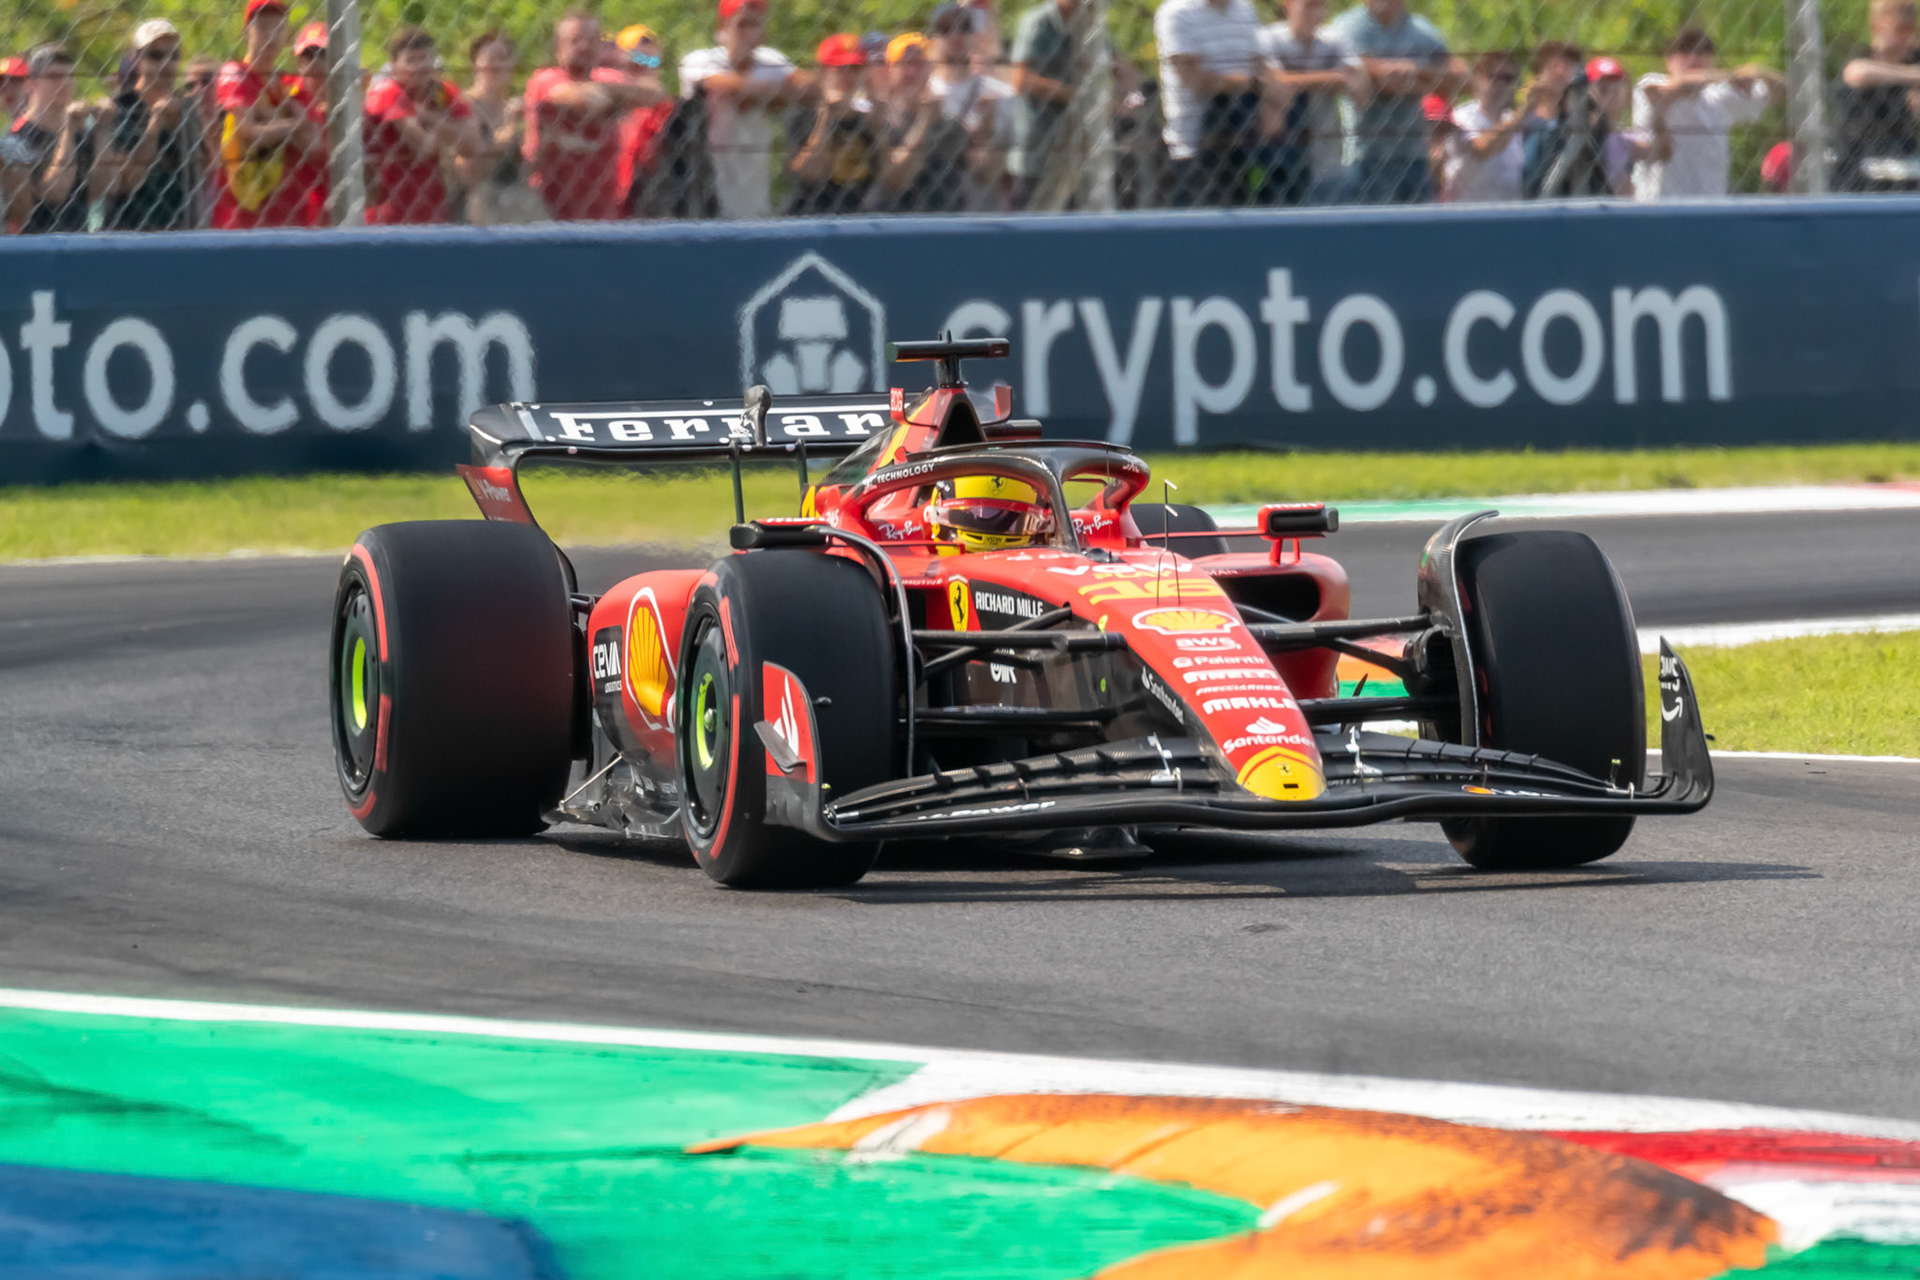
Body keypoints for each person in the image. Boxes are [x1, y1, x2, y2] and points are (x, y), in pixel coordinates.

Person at [524, 10, 665, 221]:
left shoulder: (609, 74)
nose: (584, 46)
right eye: (575, 40)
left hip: (606, 205)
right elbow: (584, 100)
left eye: (591, 41)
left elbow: (656, 91)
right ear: (559, 47)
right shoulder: (546, 79)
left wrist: (610, 87)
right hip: (553, 206)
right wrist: (619, 96)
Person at [679, 0, 813, 219]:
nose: (748, 32)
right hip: (706, 177)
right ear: (723, 28)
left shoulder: (771, 60)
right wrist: (774, 96)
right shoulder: (700, 59)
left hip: (753, 182)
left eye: (755, 25)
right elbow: (720, 86)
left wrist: (751, 94)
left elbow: (810, 89)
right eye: (741, 24)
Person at [1153, 0, 1291, 206]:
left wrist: (1274, 97)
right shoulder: (1177, 12)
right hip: (1197, 147)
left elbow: (1261, 65)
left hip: (1246, 144)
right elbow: (1192, 78)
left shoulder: (1245, 10)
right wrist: (1253, 84)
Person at [1324, 0, 1460, 202]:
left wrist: (1415, 70)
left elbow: (1459, 74)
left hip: (1414, 154)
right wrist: (1389, 75)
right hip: (1364, 154)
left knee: (1417, 227)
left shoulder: (1421, 29)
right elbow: (1347, 70)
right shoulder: (1346, 27)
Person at [1633, 27, 1783, 200]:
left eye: (1704, 50)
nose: (1694, 57)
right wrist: (1731, 75)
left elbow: (1783, 93)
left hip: (1710, 205)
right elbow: (1679, 86)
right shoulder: (1652, 83)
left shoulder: (1719, 97)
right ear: (1668, 60)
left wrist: (1758, 71)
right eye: (1685, 49)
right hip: (1660, 206)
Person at [212, 0, 322, 229]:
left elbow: (312, 144)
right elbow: (249, 132)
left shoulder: (291, 84)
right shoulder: (236, 73)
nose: (271, 35)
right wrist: (294, 124)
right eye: (262, 27)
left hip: (293, 214)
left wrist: (272, 121)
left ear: (287, 35)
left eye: (279, 28)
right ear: (246, 31)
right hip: (242, 217)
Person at [95, 19, 208, 231]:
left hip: (178, 230)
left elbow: (204, 170)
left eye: (173, 56)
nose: (166, 64)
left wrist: (182, 127)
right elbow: (125, 183)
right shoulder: (119, 109)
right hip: (127, 233)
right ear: (136, 58)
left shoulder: (185, 107)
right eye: (156, 55)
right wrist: (155, 126)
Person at [362, 27, 479, 223]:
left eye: (425, 58)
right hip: (387, 213)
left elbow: (471, 144)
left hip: (431, 208)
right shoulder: (385, 91)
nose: (419, 67)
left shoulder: (442, 92)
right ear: (394, 65)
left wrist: (428, 117)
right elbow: (425, 146)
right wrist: (446, 130)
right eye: (411, 60)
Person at [1258, 0, 1363, 202]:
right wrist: (1334, 78)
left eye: (1321, 5)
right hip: (1282, 160)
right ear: (1288, 4)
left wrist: (1298, 80)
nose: (1316, 12)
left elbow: (1359, 86)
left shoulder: (1333, 39)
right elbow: (1277, 83)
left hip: (1328, 163)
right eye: (1309, 5)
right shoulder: (1268, 38)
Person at [927, 1, 1014, 210]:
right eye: (945, 29)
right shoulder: (925, 95)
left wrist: (986, 127)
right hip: (935, 211)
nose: (955, 35)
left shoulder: (999, 93)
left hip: (987, 214)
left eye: (964, 27)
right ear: (932, 40)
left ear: (976, 36)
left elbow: (994, 173)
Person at [873, 32, 971, 211]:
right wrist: (924, 121)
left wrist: (986, 124)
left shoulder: (948, 123)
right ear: (889, 69)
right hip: (895, 218)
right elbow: (896, 180)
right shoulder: (880, 120)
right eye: (904, 64)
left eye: (919, 64)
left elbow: (983, 174)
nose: (912, 72)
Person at [2, 45, 95, 234]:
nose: (65, 83)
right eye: (54, 77)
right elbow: (53, 195)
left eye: (70, 76)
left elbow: (100, 190)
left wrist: (102, 130)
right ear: (31, 84)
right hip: (38, 244)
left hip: (81, 241)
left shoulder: (83, 130)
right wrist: (67, 131)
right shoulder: (18, 137)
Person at [787, 33, 881, 214]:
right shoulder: (804, 114)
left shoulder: (864, 119)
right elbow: (809, 175)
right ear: (822, 72)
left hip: (856, 213)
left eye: (854, 68)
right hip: (810, 213)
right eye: (840, 68)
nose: (848, 76)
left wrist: (879, 121)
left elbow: (883, 176)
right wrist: (825, 116)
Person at [1836, 0, 1920, 192]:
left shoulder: (1913, 57)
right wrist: (1913, 75)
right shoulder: (1862, 55)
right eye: (1899, 29)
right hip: (1859, 162)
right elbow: (1857, 74)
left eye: (1911, 30)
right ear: (1877, 25)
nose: (1906, 37)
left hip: (1904, 159)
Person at [1519, 40, 1611, 198]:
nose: (1560, 73)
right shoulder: (1524, 122)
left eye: (1568, 66)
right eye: (1553, 66)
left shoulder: (1588, 122)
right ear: (1538, 74)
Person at [1444, 50, 1533, 203]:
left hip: (1508, 214)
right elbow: (1482, 149)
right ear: (1477, 78)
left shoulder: (1511, 119)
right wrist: (1524, 113)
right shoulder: (1462, 115)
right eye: (1494, 76)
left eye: (1508, 78)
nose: (1501, 84)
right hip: (1467, 214)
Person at [1586, 56, 1667, 195]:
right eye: (1603, 89)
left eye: (1616, 89)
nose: (1611, 95)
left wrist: (1658, 111)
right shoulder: (1575, 135)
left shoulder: (1624, 141)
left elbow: (1662, 153)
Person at [283, 21, 330, 224]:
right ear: (299, 62)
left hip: (332, 207)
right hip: (291, 209)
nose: (315, 62)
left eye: (322, 55)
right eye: (308, 55)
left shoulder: (348, 97)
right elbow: (316, 147)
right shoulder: (286, 91)